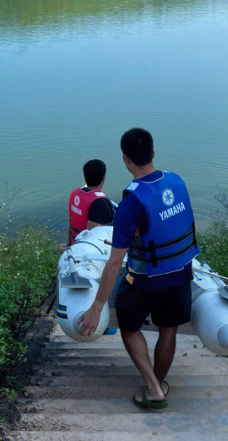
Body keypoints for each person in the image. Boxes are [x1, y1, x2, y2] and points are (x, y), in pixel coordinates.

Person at [76, 128, 199, 410]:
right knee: (168, 329)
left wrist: (97, 305)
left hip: (147, 279)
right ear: (153, 153)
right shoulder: (177, 182)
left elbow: (116, 260)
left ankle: (154, 388)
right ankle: (158, 382)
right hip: (180, 271)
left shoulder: (131, 203)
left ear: (125, 160)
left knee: (129, 326)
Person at [68, 158, 115, 244]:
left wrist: (68, 244)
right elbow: (92, 234)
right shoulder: (99, 203)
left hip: (74, 242)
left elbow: (71, 222)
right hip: (85, 250)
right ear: (103, 178)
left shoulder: (74, 193)